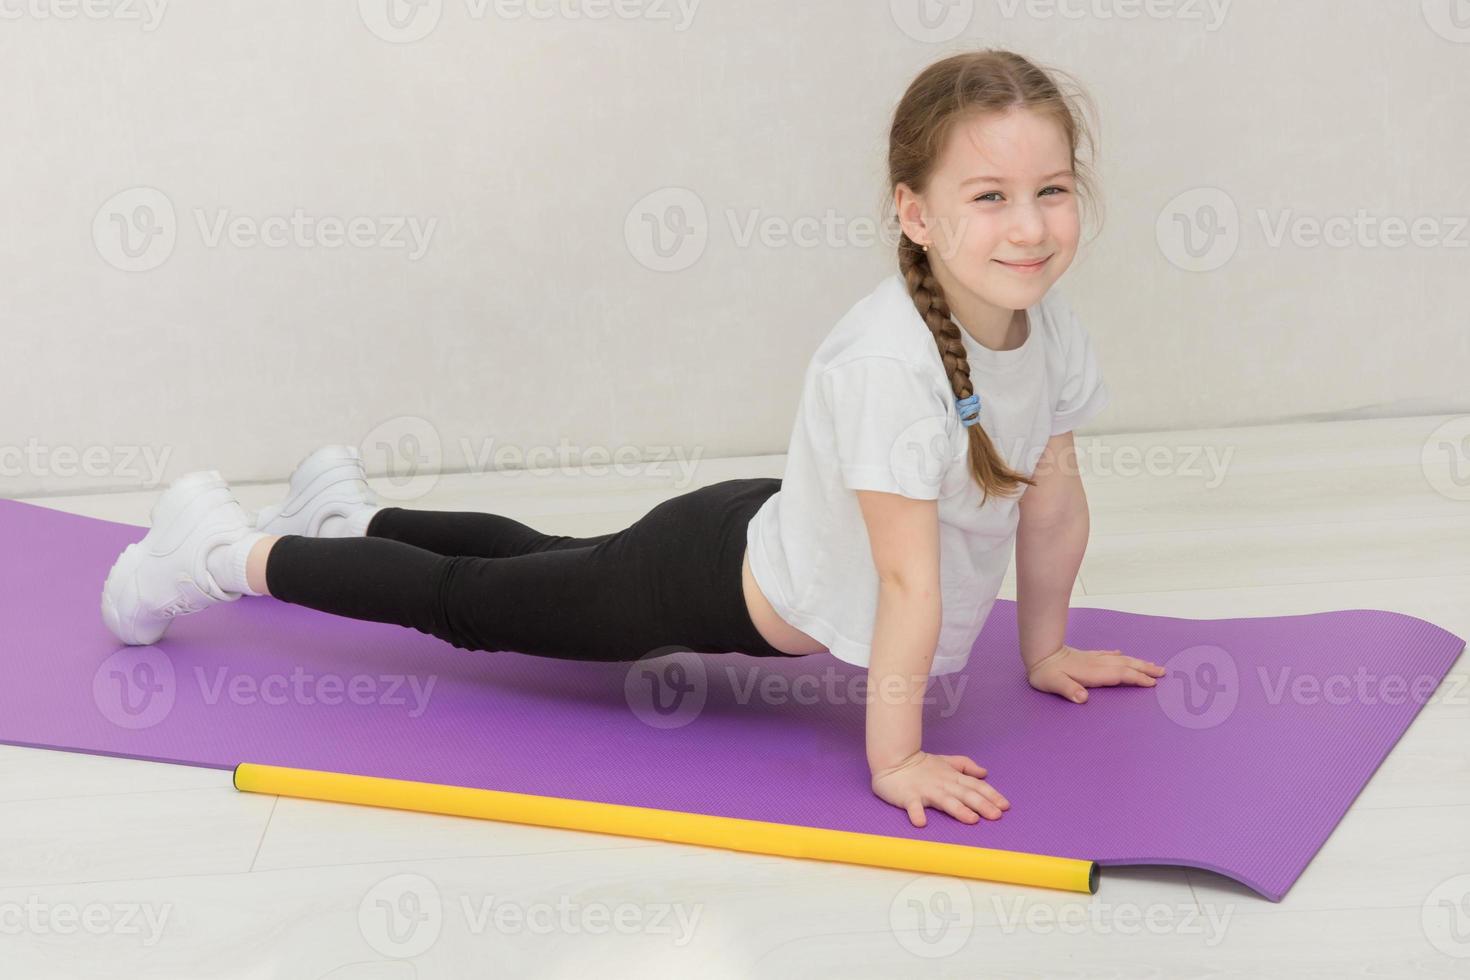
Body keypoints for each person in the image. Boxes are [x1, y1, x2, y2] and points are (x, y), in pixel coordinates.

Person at [100, 48, 1165, 829]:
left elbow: (1053, 497)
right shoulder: (891, 368)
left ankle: (347, 514)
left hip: (756, 528)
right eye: (990, 196)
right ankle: (219, 553)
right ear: (916, 212)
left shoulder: (1039, 319)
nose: (1029, 226)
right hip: (705, 578)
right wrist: (898, 761)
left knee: (541, 560)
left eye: (1051, 192)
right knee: (471, 604)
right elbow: (907, 585)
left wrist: (1045, 644)